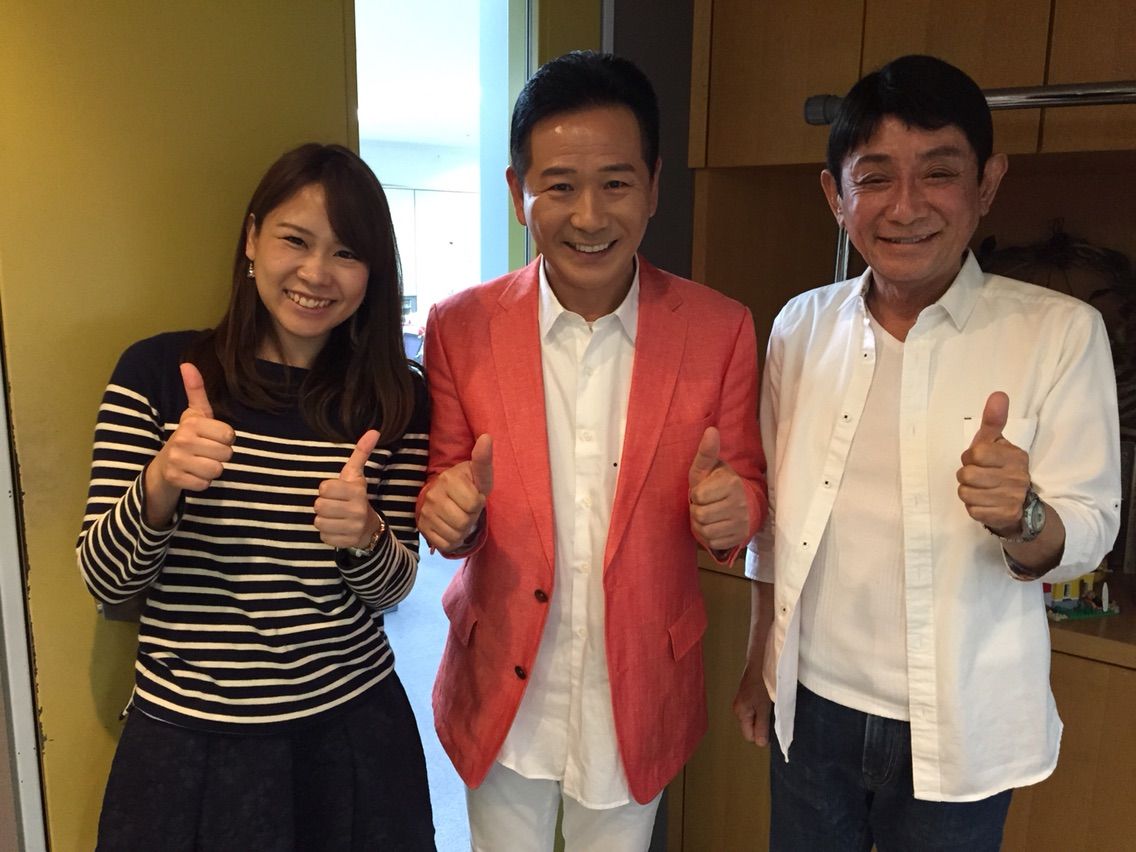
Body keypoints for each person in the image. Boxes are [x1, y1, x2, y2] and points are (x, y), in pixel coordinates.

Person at [732, 54, 1121, 851]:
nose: (906, 206)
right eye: (874, 178)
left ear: (987, 183)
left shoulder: (1057, 332)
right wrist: (759, 662)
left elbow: (1090, 526)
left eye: (939, 172)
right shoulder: (800, 327)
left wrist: (1022, 514)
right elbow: (774, 526)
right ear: (835, 196)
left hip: (961, 719)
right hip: (813, 709)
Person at [416, 51, 767, 851]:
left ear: (653, 185)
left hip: (638, 684)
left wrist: (734, 511)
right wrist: (448, 514)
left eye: (614, 183)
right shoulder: (459, 327)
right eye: (559, 187)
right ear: (518, 192)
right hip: (502, 680)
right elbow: (445, 485)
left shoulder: (719, 329)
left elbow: (744, 488)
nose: (588, 216)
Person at [77, 143, 436, 850]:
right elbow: (105, 581)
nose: (316, 273)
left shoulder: (397, 396)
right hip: (190, 741)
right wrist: (160, 482)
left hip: (353, 732)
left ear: (372, 272)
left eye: (346, 253)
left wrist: (365, 534)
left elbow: (394, 589)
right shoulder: (158, 373)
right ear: (251, 239)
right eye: (294, 240)